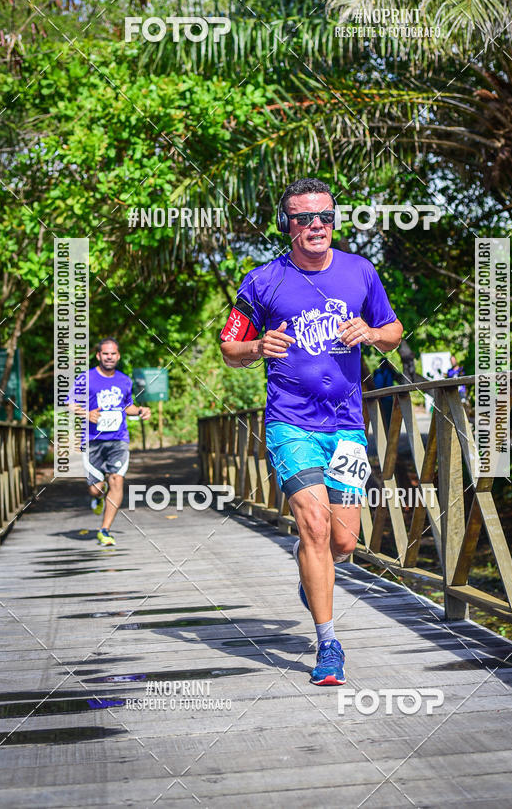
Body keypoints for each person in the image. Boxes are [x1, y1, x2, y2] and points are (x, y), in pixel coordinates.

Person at [220, 178, 403, 685]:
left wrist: (371, 333)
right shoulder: (263, 281)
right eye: (303, 218)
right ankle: (328, 644)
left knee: (343, 541)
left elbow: (393, 331)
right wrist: (257, 347)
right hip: (290, 422)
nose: (316, 225)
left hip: (347, 426)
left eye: (324, 216)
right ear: (287, 224)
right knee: (315, 528)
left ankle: (312, 574)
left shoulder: (360, 271)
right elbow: (229, 347)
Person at [69, 338, 151, 545]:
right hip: (92, 440)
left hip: (118, 439)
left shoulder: (125, 380)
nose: (109, 357)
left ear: (118, 356)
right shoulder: (86, 378)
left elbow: (127, 406)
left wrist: (140, 410)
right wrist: (86, 413)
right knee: (95, 488)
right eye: (105, 353)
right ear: (98, 355)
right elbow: (70, 403)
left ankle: (104, 530)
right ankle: (98, 497)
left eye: (113, 353)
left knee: (116, 480)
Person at [373, 357, 397, 429]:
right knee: (388, 417)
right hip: (388, 398)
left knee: (381, 418)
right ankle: (388, 432)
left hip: (379, 398)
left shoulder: (377, 372)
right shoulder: (390, 372)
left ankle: (384, 431)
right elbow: (396, 376)